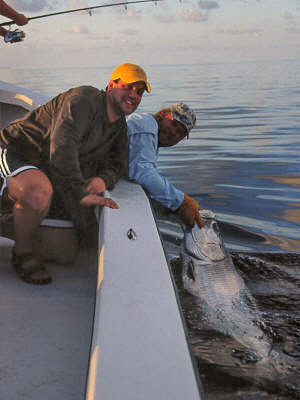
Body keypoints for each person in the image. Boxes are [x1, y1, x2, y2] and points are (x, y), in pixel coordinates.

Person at [0, 62, 150, 285]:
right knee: (38, 191)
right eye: (129, 87)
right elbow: (62, 151)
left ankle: (11, 215)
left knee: (65, 252)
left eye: (139, 92)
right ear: (111, 85)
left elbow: (118, 163)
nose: (133, 95)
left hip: (47, 169)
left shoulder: (119, 126)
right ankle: (22, 253)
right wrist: (81, 194)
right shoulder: (82, 100)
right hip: (16, 149)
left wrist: (103, 179)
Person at [126, 103, 204, 228]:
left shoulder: (150, 135)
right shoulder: (146, 125)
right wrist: (182, 202)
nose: (174, 133)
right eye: (174, 124)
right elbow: (143, 173)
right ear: (162, 114)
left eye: (180, 134)